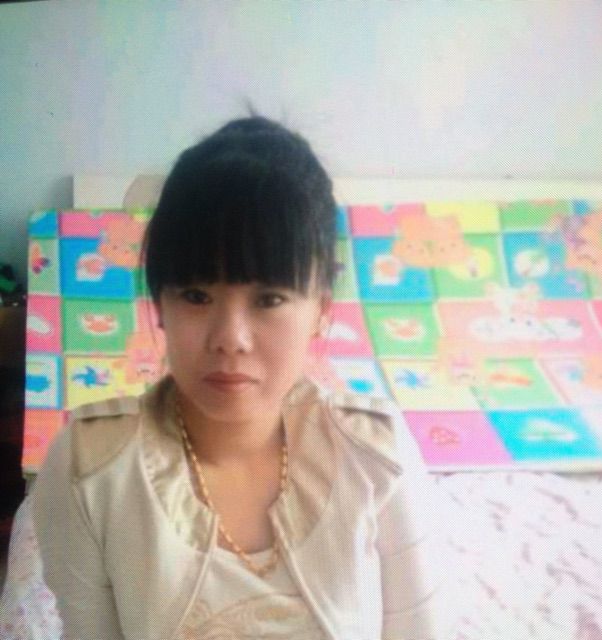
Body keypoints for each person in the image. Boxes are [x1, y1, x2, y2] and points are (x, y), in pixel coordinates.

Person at [30, 105, 434, 640]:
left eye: (269, 299)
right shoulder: (90, 468)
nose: (230, 338)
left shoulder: (377, 456)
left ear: (321, 309)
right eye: (196, 295)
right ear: (160, 304)